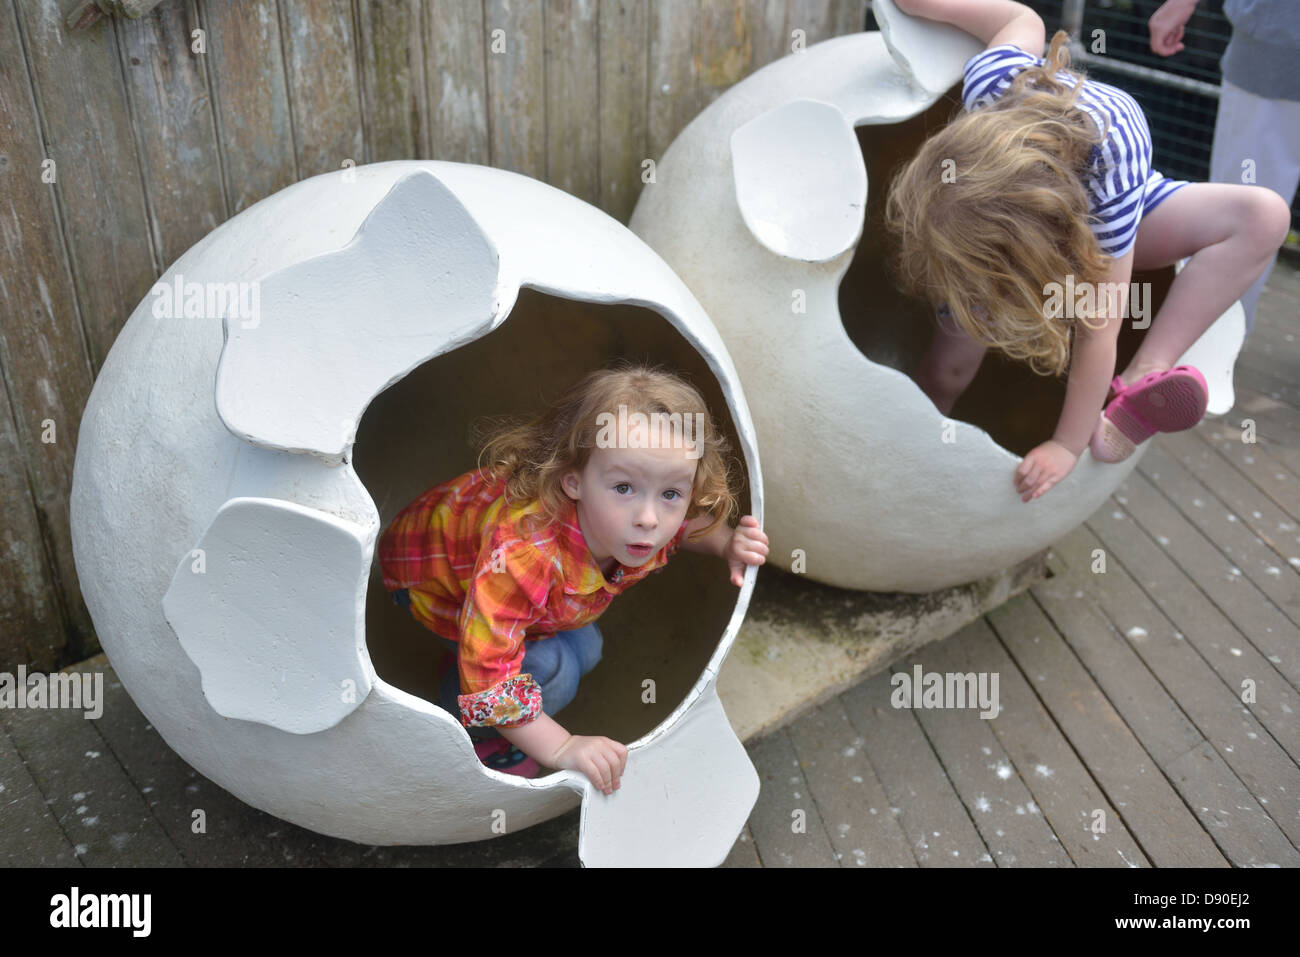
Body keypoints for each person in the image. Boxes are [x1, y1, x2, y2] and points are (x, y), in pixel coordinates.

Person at [884, 0, 1290, 500]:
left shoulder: (1110, 167)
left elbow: (1100, 328)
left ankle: (1145, 375)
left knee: (1264, 216)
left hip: (1116, 212)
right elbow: (1022, 21)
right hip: (1011, 215)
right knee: (948, 366)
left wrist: (1066, 445)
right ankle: (909, 444)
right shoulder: (992, 84)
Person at [377, 361, 769, 794]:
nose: (649, 518)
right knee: (556, 669)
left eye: (671, 493)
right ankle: (463, 728)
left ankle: (475, 670)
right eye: (623, 488)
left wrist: (726, 541)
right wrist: (561, 747)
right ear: (573, 481)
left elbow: (686, 526)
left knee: (587, 647)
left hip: (490, 581)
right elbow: (489, 675)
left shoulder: (640, 519)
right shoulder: (527, 556)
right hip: (429, 579)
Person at [1148, 0, 1300, 335]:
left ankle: (1197, 347)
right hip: (1277, 49)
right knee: (1245, 213)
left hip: (1276, 45)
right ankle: (1202, 345)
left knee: (1243, 214)